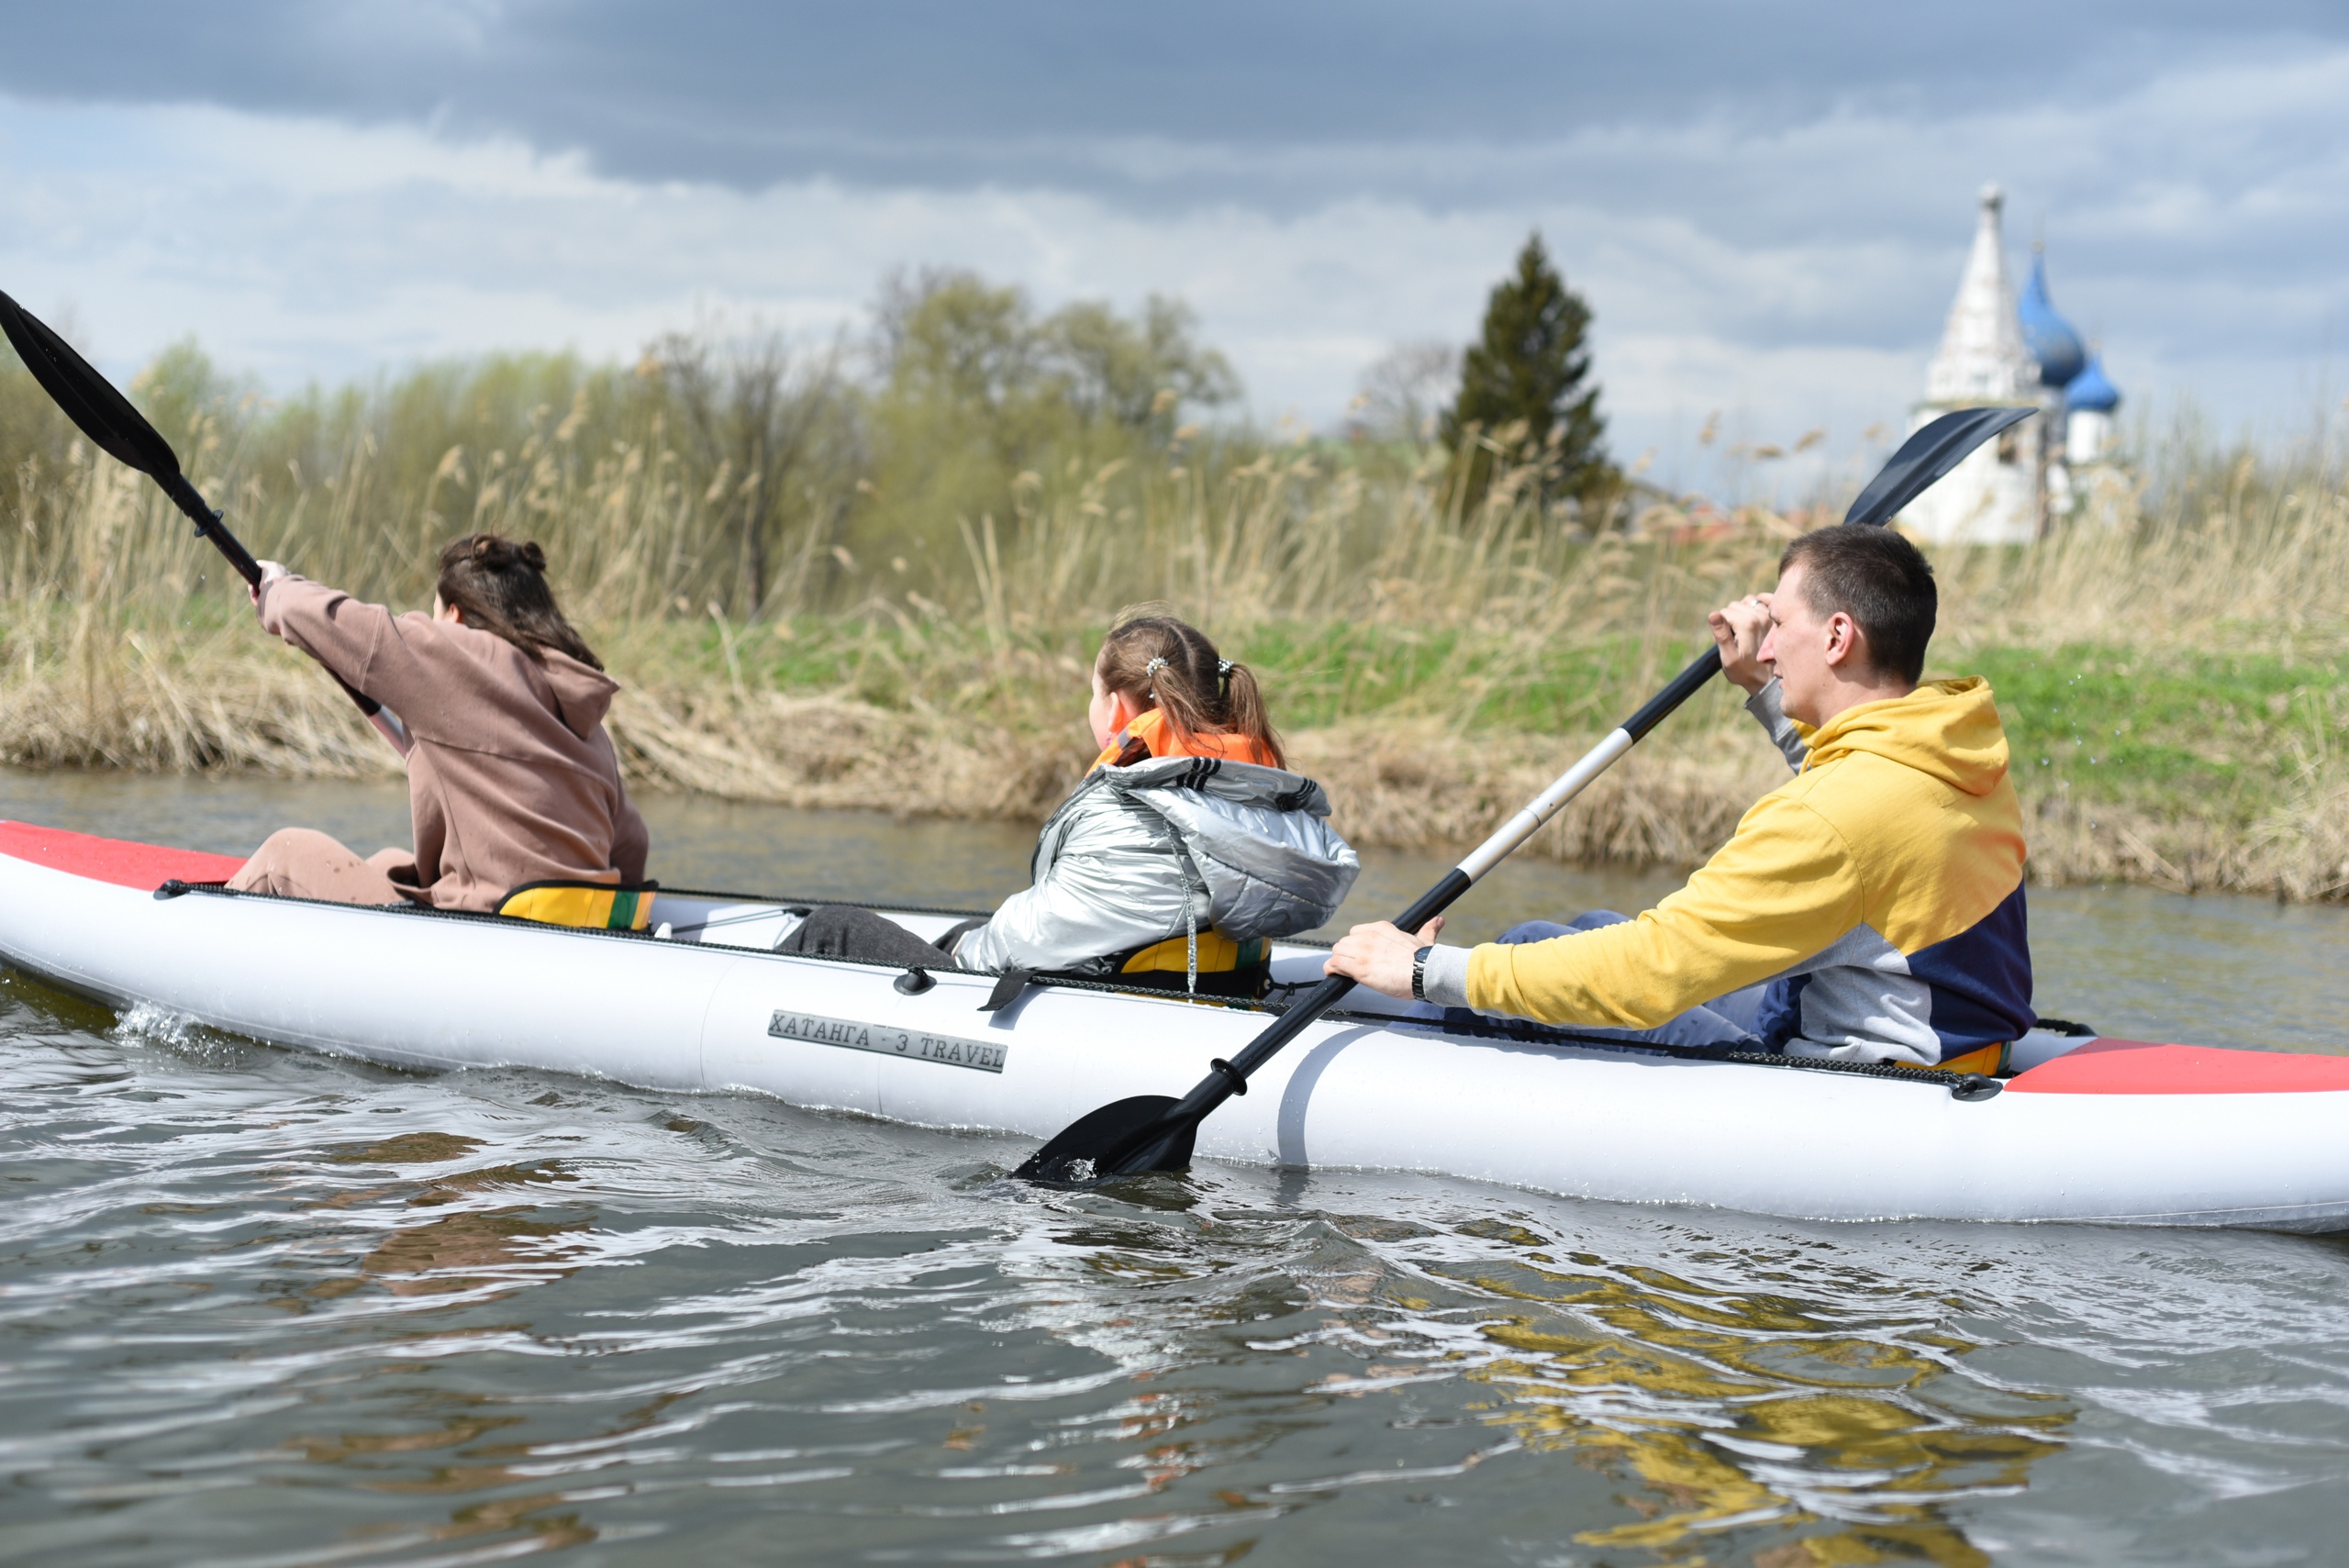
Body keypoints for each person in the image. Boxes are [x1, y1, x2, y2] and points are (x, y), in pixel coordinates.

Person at [1326, 524, 2033, 1071]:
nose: (1766, 648)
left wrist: (1424, 970)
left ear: (1840, 635)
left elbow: (1650, 973)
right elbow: (1863, 806)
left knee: (1530, 945)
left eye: (1780, 625)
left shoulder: (1835, 815)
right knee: (1596, 920)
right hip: (1942, 1035)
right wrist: (1765, 694)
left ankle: (1402, 1041)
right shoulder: (1953, 751)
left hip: (1854, 1079)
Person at [784, 611, 1359, 991]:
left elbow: (1029, 941)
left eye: (1093, 693)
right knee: (965, 927)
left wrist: (963, 957)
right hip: (1210, 994)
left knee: (833, 927)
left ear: (1115, 711)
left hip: (1112, 1007)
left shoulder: (1130, 809)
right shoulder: (1263, 797)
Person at [226, 534, 650, 917]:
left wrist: (279, 591)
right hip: (569, 929)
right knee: (390, 863)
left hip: (487, 939)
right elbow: (631, 844)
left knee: (285, 854)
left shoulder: (460, 657)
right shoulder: (584, 713)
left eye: (434, 615)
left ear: (456, 614)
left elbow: (363, 635)